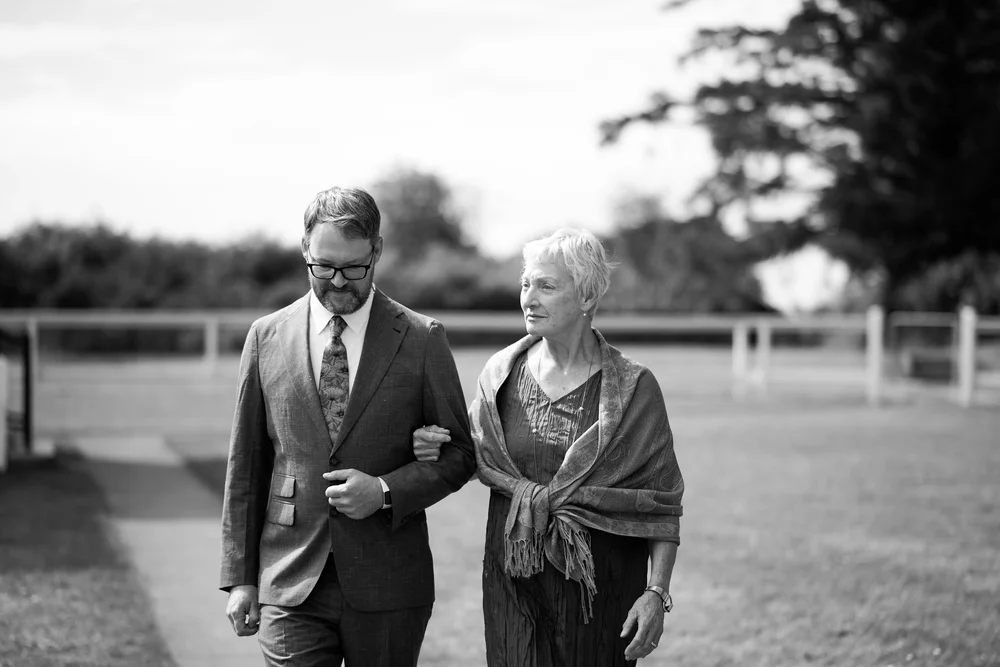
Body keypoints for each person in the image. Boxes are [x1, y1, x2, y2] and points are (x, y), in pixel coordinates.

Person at [220, 186, 477, 667]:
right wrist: (241, 578)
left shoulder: (422, 339)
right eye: (323, 265)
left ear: (377, 251)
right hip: (288, 579)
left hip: (390, 583)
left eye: (354, 267)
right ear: (304, 250)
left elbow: (461, 455)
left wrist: (383, 489)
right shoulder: (265, 337)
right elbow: (246, 465)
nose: (338, 281)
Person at [413, 228, 684, 666]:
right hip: (510, 577)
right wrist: (431, 444)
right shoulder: (500, 372)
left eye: (546, 286)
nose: (529, 298)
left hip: (601, 591)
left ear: (587, 297)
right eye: (526, 284)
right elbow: (470, 450)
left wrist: (656, 593)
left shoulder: (635, 389)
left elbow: (661, 503)